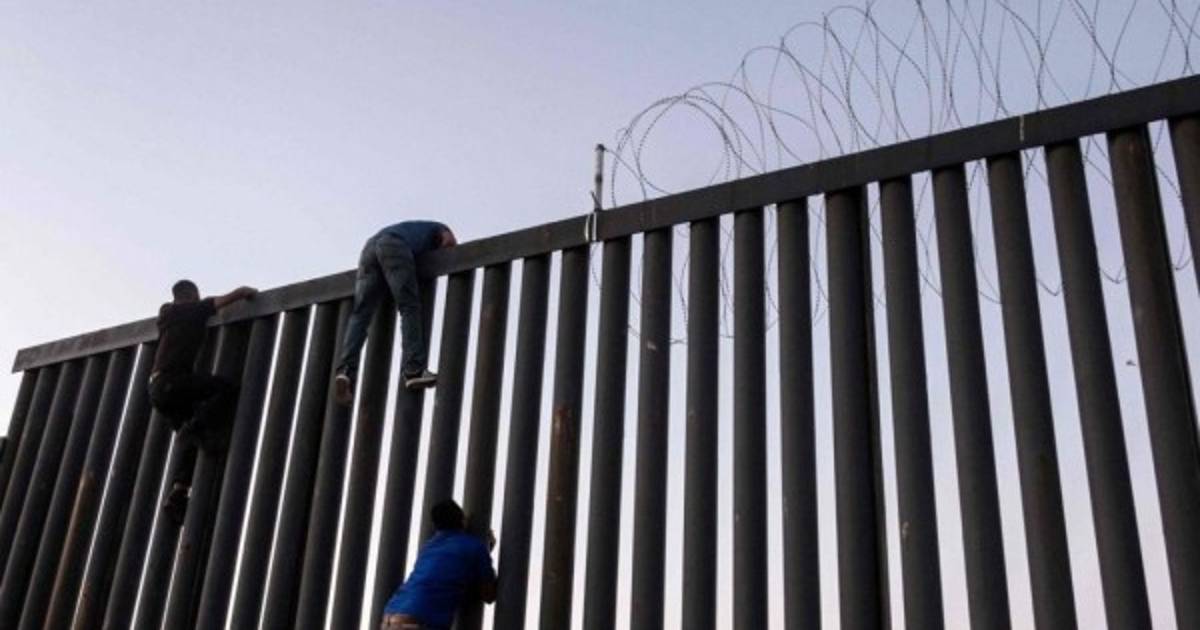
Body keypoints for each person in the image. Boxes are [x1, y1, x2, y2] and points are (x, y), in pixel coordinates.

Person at [147, 280, 256, 523]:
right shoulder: (191, 309)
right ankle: (195, 426)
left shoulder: (167, 315)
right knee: (227, 389)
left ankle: (178, 492)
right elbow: (219, 301)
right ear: (192, 295)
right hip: (173, 382)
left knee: (193, 443)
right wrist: (244, 292)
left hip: (155, 388)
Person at [335, 220, 456, 404]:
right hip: (393, 246)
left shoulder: (416, 229)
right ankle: (413, 370)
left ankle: (345, 371)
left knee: (360, 313)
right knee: (409, 306)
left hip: (369, 249)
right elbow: (448, 241)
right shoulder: (440, 228)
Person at [380, 499, 497, 630]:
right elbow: (489, 594)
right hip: (417, 622)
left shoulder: (429, 547)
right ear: (462, 520)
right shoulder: (474, 546)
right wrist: (486, 550)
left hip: (389, 618)